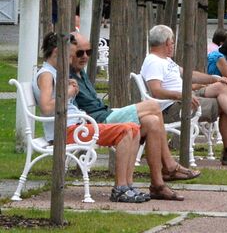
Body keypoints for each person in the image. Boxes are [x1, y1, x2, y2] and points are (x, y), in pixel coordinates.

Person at [69, 32, 197, 198]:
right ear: (69, 53)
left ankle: (158, 185)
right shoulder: (67, 75)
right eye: (80, 53)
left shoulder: (81, 72)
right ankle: (170, 166)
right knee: (153, 106)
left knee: (151, 121)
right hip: (97, 121)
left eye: (89, 52)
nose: (85, 56)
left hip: (104, 114)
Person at [32, 32, 148, 203]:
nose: (71, 60)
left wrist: (68, 88)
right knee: (126, 130)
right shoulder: (46, 75)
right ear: (57, 52)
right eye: (70, 55)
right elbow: (47, 107)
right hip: (67, 131)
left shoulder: (56, 73)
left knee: (134, 127)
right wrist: (69, 92)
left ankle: (127, 185)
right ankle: (120, 188)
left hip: (77, 126)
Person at [141, 24, 227, 167]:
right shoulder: (153, 61)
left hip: (185, 97)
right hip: (175, 106)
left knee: (223, 86)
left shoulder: (165, 60)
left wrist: (215, 78)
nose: (173, 45)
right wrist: (182, 96)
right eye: (172, 42)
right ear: (167, 42)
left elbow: (189, 75)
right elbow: (156, 91)